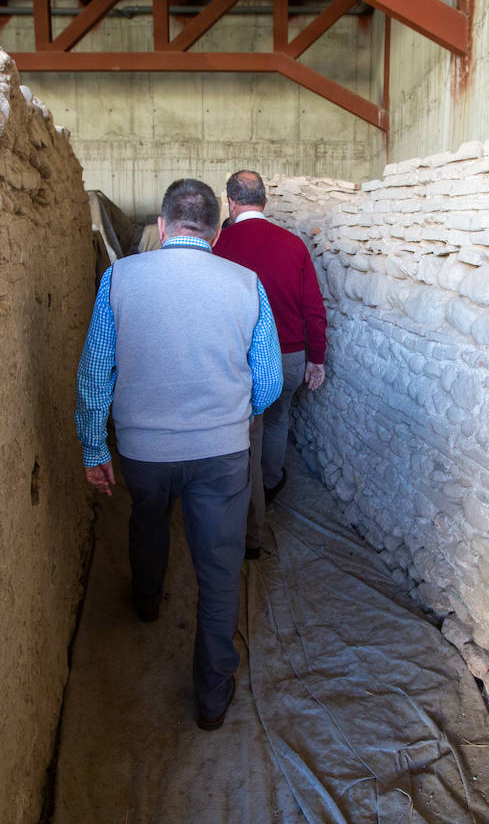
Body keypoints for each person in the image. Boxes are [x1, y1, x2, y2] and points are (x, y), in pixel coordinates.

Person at [74, 178, 282, 731]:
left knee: (147, 521)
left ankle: (147, 600)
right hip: (223, 452)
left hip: (143, 449)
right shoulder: (246, 282)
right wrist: (233, 415)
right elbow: (269, 381)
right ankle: (212, 700)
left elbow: (96, 374)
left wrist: (95, 445)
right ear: (215, 232)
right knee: (218, 571)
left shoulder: (119, 278)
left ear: (163, 227)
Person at [212, 170, 327, 558]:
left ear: (230, 201)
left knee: (244, 437)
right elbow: (314, 307)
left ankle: (247, 510)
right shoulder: (293, 245)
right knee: (278, 420)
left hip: (240, 358)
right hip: (291, 355)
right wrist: (317, 358)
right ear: (265, 201)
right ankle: (272, 483)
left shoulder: (218, 244)